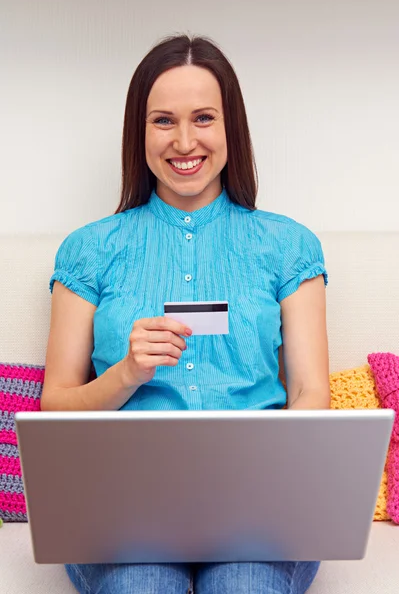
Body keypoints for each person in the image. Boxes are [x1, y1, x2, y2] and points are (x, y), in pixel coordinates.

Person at [41, 33, 330, 594]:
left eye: (203, 118)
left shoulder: (288, 247)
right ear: (139, 132)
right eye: (162, 121)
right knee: (143, 583)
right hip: (118, 506)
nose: (183, 140)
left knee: (245, 584)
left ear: (230, 129)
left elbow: (311, 395)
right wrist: (126, 373)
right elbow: (56, 406)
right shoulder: (88, 251)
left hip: (261, 503)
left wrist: (280, 483)